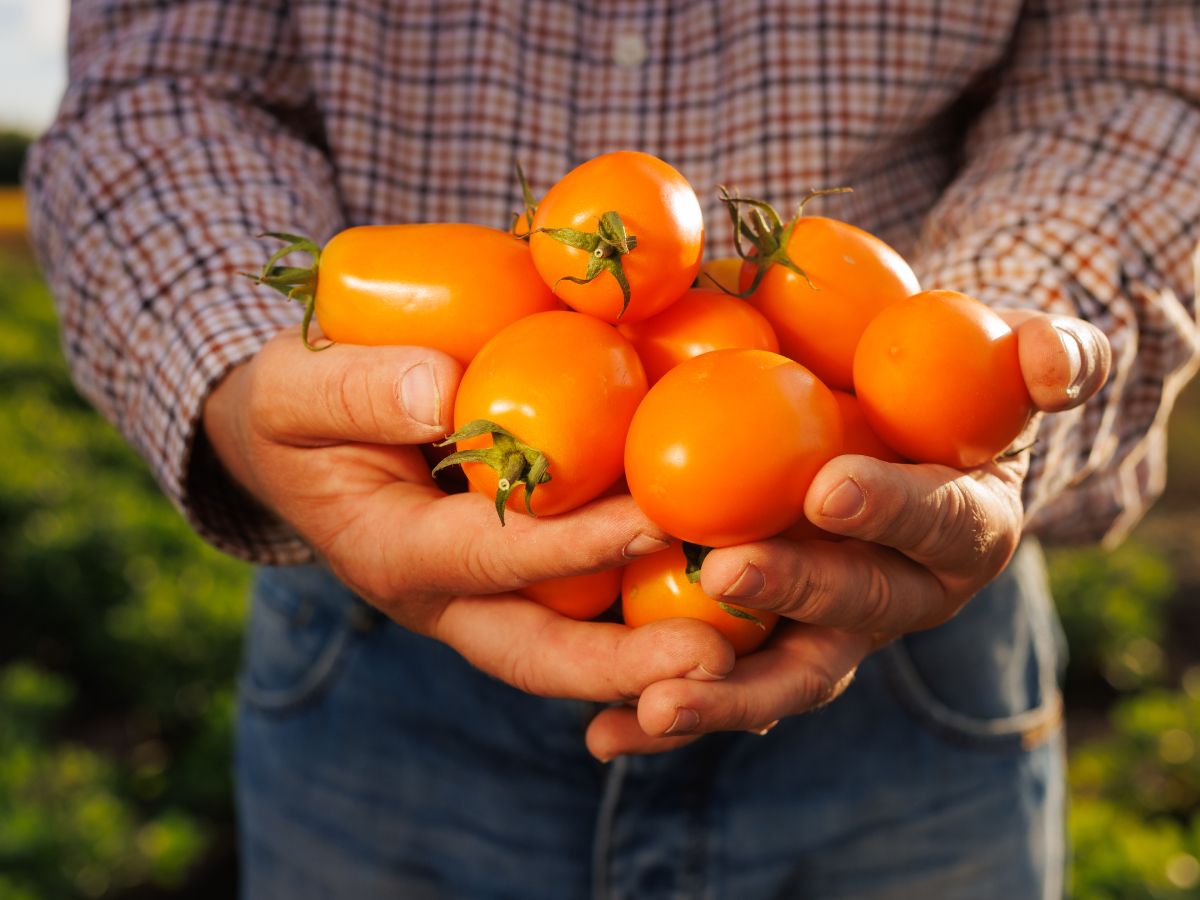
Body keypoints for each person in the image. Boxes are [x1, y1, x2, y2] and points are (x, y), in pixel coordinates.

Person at [24, 1, 1197, 897]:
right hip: (374, 635)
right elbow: (156, 85)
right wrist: (241, 372)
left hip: (903, 623)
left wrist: (992, 362)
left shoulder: (725, 347)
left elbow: (1145, 76)